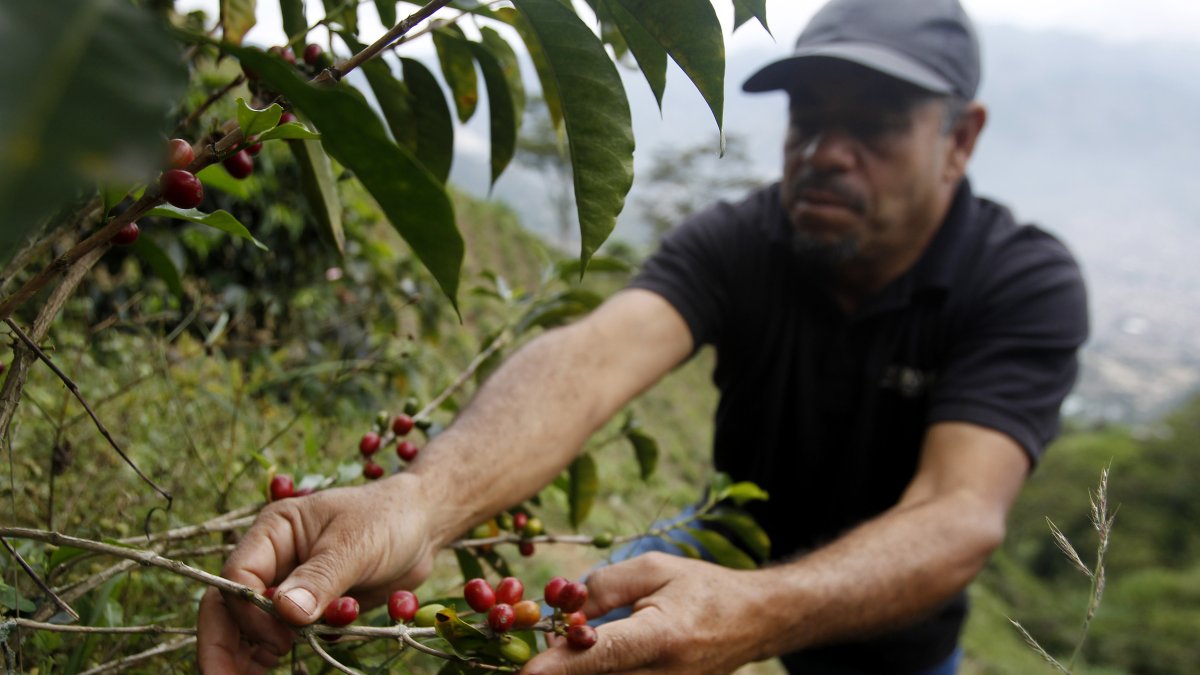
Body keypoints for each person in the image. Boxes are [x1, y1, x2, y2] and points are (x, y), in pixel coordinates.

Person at [197, 0, 1088, 672]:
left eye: (878, 124)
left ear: (960, 140)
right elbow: (589, 359)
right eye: (810, 117)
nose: (827, 150)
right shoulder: (745, 237)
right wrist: (421, 502)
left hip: (895, 635)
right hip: (725, 538)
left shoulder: (1020, 282)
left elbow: (959, 515)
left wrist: (757, 610)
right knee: (587, 623)